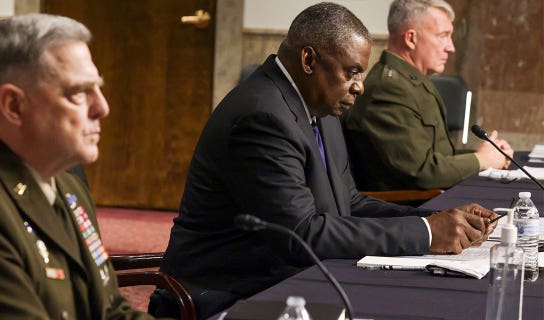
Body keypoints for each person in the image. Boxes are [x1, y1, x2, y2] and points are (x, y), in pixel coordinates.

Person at [150, 2, 498, 319]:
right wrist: (425, 233)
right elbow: (301, 234)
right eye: (352, 72)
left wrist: (436, 220)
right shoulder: (261, 117)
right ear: (309, 61)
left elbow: (349, 203)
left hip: (289, 276)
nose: (360, 86)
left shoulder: (321, 107)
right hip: (228, 289)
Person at [0, 14, 156, 319]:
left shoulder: (64, 184)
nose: (102, 107)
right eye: (78, 91)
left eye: (98, 88)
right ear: (14, 106)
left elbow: (110, 310)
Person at [342, 0, 514, 191]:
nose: (451, 47)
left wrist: (489, 155)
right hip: (408, 209)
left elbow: (437, 156)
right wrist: (480, 160)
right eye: (443, 36)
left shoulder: (410, 81)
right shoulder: (389, 90)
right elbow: (422, 173)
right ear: (411, 39)